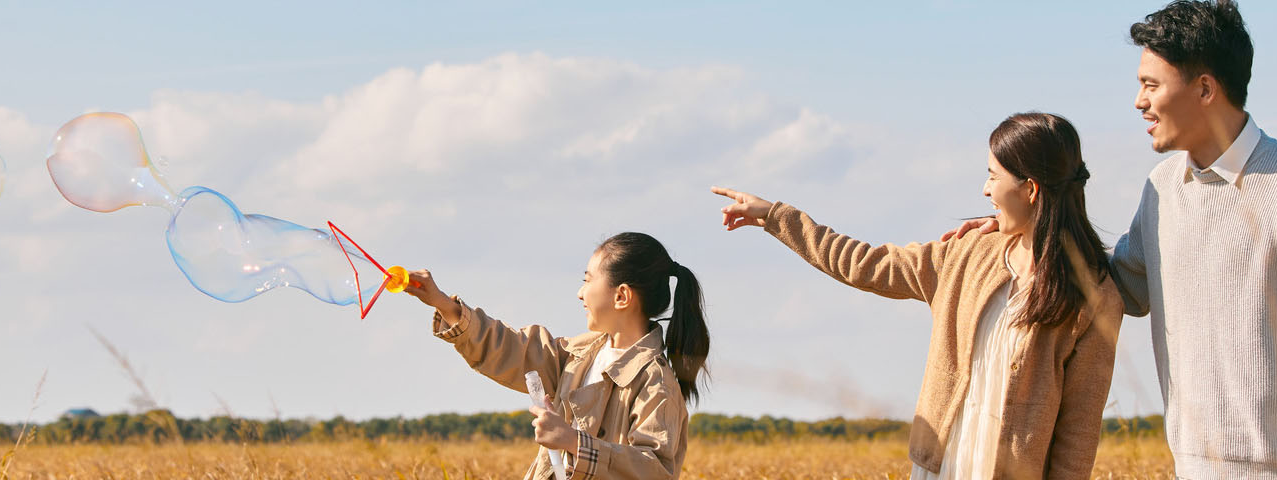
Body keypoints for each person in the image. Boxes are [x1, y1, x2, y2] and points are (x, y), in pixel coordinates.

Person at [944, 2, 1277, 477]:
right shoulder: (1163, 188)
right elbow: (1116, 286)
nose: (1139, 101)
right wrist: (1026, 233)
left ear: (1205, 87)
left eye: (1151, 85)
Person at [716, 112, 1122, 479]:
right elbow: (865, 264)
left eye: (993, 176)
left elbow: (1079, 429)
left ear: (1030, 189)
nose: (984, 189)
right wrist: (776, 217)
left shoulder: (1093, 295)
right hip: (940, 469)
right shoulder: (966, 254)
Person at [403, 232, 709, 479]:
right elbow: (511, 348)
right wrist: (443, 304)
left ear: (621, 296)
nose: (580, 292)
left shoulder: (657, 384)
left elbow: (655, 471)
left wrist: (575, 442)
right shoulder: (577, 355)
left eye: (588, 280)